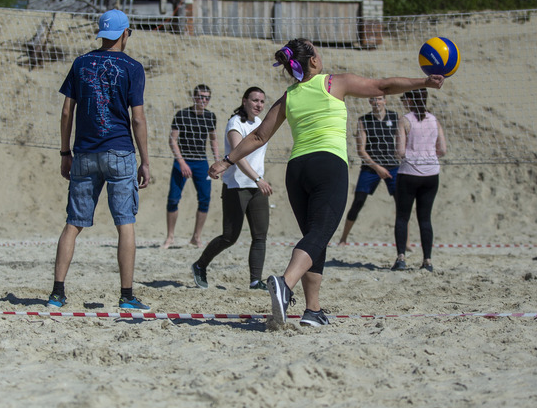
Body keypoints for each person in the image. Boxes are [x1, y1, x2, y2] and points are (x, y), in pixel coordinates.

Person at [210, 38, 444, 327]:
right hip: (328, 165)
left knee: (314, 238)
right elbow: (383, 86)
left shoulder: (289, 96)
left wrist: (226, 161)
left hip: (297, 171)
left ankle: (313, 310)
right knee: (319, 234)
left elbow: (259, 137)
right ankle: (285, 284)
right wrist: (425, 82)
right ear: (314, 61)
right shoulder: (334, 83)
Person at [50, 9, 152, 310]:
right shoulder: (133, 67)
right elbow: (138, 119)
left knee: (73, 224)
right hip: (119, 151)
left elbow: (67, 112)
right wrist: (145, 160)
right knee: (125, 224)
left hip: (83, 151)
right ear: (124, 34)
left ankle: (57, 293)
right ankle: (126, 295)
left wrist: (65, 152)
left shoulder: (81, 63)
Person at [192, 87, 273, 291]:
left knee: (260, 236)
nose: (259, 105)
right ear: (244, 101)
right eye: (255, 100)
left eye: (262, 102)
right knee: (230, 236)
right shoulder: (235, 123)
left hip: (256, 186)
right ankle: (200, 265)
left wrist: (258, 180)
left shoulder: (261, 123)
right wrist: (258, 179)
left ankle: (256, 280)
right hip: (237, 186)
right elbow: (238, 156)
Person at [392, 88, 447, 273]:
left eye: (403, 98)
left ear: (409, 100)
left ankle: (401, 258)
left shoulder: (405, 120)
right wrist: (430, 156)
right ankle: (427, 261)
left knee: (402, 217)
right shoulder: (434, 120)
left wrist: (405, 154)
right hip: (431, 173)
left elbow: (400, 151)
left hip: (409, 173)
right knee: (425, 219)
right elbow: (443, 150)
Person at [162, 84, 218, 249]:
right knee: (173, 198)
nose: (203, 100)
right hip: (183, 160)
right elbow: (172, 140)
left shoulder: (210, 117)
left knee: (205, 199)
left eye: (207, 97)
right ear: (194, 97)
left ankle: (196, 237)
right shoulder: (182, 115)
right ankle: (170, 237)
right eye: (200, 96)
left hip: (201, 161)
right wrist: (181, 162)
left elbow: (213, 139)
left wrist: (217, 160)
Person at [338, 95, 399, 245]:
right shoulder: (364, 120)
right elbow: (361, 151)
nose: (376, 102)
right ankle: (343, 239)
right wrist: (377, 168)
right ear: (369, 101)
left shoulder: (395, 117)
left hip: (393, 166)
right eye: (373, 99)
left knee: (402, 204)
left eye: (379, 99)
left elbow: (400, 142)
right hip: (371, 168)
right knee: (358, 201)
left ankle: (406, 243)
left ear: (385, 100)